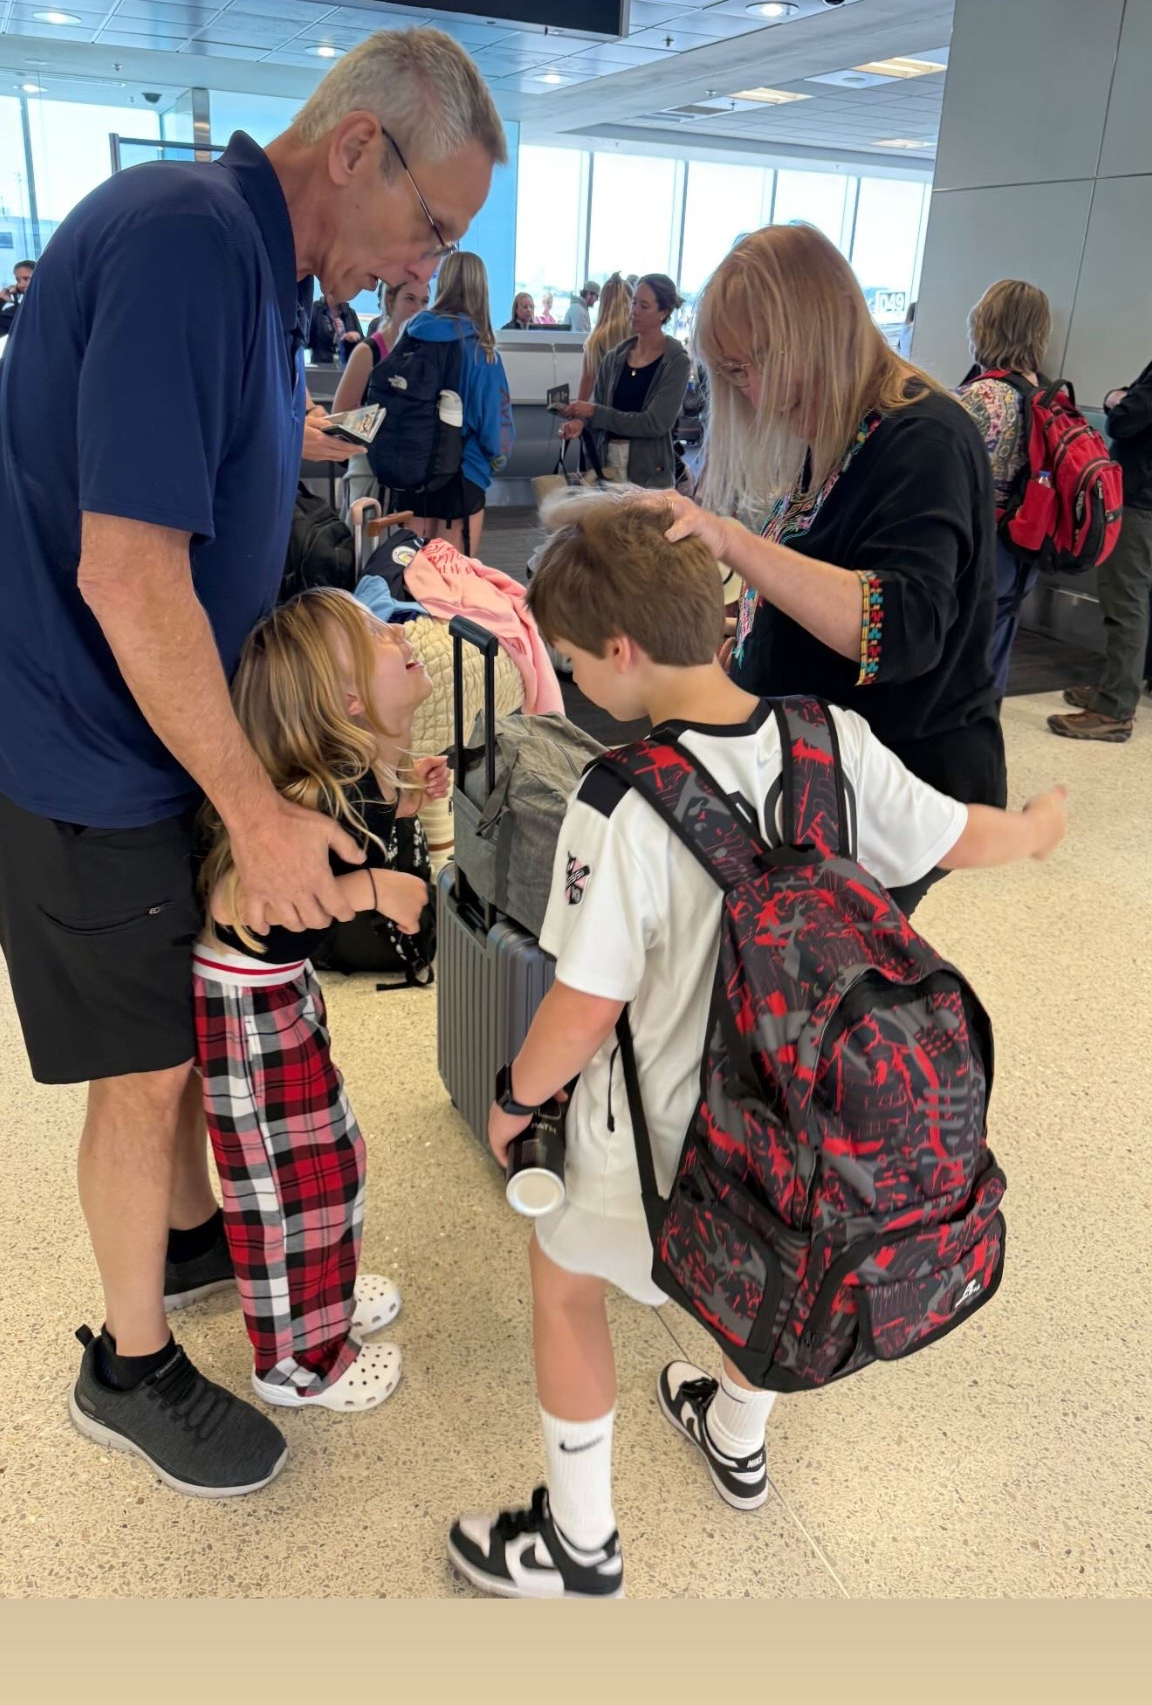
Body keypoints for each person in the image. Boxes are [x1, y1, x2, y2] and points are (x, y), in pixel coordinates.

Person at [0, 25, 505, 1499]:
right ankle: (129, 1366)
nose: (425, 270)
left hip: (148, 736)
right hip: (88, 752)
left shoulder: (253, 276)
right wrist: (253, 811)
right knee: (145, 1076)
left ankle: (188, 1244)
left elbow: (224, 520)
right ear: (358, 148)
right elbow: (132, 577)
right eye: (432, 228)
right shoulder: (187, 249)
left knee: (166, 1036)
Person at [447, 492, 1069, 1600]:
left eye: (580, 662)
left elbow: (587, 1003)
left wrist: (509, 1093)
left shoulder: (620, 799)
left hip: (655, 1139)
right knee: (784, 1260)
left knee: (564, 1279)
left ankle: (580, 1542)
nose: (580, 684)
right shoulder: (836, 738)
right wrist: (1033, 831)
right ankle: (736, 1429)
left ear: (626, 650)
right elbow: (956, 830)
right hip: (798, 1126)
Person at [658, 224, 1004, 920]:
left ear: (817, 330)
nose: (753, 392)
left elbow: (896, 628)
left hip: (893, 785)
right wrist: (747, 629)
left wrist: (734, 544)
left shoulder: (923, 439)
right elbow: (823, 571)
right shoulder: (842, 430)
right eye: (731, 374)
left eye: (754, 365)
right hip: (821, 775)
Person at [197, 590, 447, 1411]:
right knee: (289, 1186)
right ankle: (298, 1366)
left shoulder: (344, 778)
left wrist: (413, 791)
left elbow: (368, 821)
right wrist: (377, 889)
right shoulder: (303, 805)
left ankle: (323, 1306)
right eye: (377, 634)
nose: (401, 631)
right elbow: (264, 899)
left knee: (330, 1163)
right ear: (345, 702)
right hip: (248, 1017)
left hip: (278, 1002)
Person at [955, 280, 1052, 695]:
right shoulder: (1045, 393)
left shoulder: (978, 400)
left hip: (976, 553)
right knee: (992, 664)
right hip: (1021, 552)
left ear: (984, 327)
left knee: (955, 673)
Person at [1048, 359, 1152, 743]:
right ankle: (1116, 687)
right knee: (1134, 600)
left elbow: (1125, 418)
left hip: (1141, 500)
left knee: (1126, 602)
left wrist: (1113, 399)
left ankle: (1114, 709)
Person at [391, 248, 513, 555]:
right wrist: (495, 461)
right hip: (462, 476)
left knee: (408, 575)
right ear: (481, 290)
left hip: (411, 472)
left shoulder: (410, 335)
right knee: (452, 583)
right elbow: (495, 431)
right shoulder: (482, 352)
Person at [563, 273, 690, 490]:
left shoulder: (676, 362)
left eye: (644, 306)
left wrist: (594, 413)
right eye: (633, 303)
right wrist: (580, 423)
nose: (635, 311)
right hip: (607, 470)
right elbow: (601, 408)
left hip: (650, 476)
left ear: (663, 312)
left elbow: (655, 423)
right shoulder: (615, 358)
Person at [332, 278, 432, 510]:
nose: (418, 308)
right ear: (390, 300)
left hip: (411, 474)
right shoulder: (368, 352)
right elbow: (339, 418)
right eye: (409, 299)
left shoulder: (424, 353)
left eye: (424, 301)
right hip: (369, 473)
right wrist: (385, 420)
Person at [576, 271, 631, 403]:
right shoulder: (639, 337)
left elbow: (586, 385)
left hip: (603, 414)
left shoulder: (595, 342)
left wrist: (575, 416)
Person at [308, 289, 364, 365]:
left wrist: (357, 337)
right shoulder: (316, 310)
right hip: (322, 367)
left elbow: (362, 342)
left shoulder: (350, 312)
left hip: (346, 367)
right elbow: (306, 341)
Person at [0, 257, 35, 338]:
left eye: (26, 279)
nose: (20, 285)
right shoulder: (17, 311)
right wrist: (2, 299)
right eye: (18, 280)